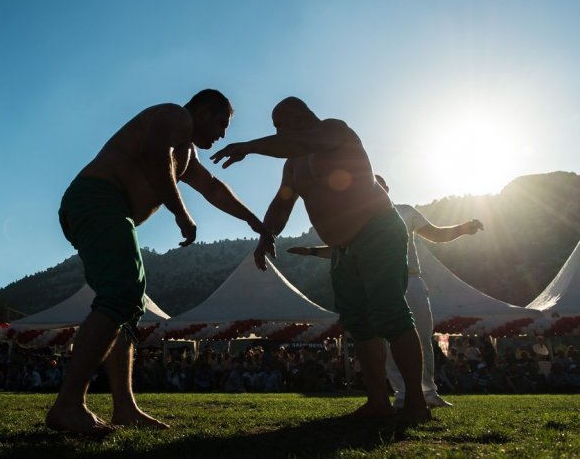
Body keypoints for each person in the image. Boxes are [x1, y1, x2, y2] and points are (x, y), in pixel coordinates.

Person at [47, 89, 273, 435]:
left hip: (103, 209)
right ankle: (68, 405)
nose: (223, 134)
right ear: (203, 111)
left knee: (125, 305)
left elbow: (212, 187)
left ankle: (124, 407)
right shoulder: (174, 116)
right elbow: (155, 157)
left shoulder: (186, 150)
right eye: (222, 124)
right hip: (97, 198)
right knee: (122, 293)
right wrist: (181, 214)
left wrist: (251, 218)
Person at [210, 96, 429, 422]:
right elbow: (283, 202)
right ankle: (377, 401)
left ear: (296, 117)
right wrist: (266, 235)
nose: (277, 132)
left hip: (378, 230)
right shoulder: (292, 163)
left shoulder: (333, 130)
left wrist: (249, 147)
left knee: (389, 312)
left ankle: (415, 401)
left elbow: (300, 141)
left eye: (278, 124)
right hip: (343, 247)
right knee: (360, 324)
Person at [289, 174, 484, 408]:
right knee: (389, 339)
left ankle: (428, 392)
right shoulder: (357, 221)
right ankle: (402, 393)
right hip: (376, 283)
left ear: (386, 189)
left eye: (376, 185)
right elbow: (340, 250)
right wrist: (310, 252)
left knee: (421, 335)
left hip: (410, 279)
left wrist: (463, 228)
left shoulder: (405, 211)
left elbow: (437, 234)